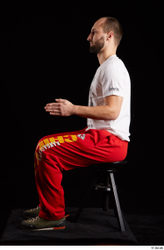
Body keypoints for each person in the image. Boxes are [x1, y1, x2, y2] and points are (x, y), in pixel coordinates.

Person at [21, 16, 131, 231]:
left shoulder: (113, 68)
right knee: (43, 145)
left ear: (109, 36)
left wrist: (72, 109)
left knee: (46, 149)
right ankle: (48, 206)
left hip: (110, 142)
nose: (88, 37)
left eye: (94, 32)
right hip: (101, 137)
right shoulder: (106, 67)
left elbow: (112, 111)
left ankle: (53, 216)